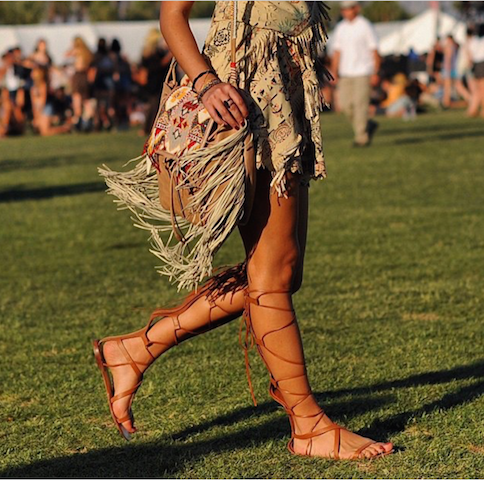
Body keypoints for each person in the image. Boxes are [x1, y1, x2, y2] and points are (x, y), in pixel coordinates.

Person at [93, 1, 393, 461]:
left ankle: (135, 349)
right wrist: (206, 82)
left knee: (281, 274)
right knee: (273, 276)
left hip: (283, 87)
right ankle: (308, 426)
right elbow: (172, 14)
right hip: (243, 94)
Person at [331, 1, 380, 147]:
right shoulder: (341, 28)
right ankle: (367, 125)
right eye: (344, 9)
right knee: (346, 105)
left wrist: (376, 71)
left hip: (363, 71)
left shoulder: (365, 26)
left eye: (349, 8)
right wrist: (334, 71)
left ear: (356, 8)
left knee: (360, 105)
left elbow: (375, 50)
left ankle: (361, 138)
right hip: (346, 73)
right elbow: (337, 52)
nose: (346, 12)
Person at [467, 24, 484, 117]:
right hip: (482, 63)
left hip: (476, 65)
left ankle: (475, 108)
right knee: (482, 88)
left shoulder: (473, 41)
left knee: (478, 88)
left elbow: (470, 56)